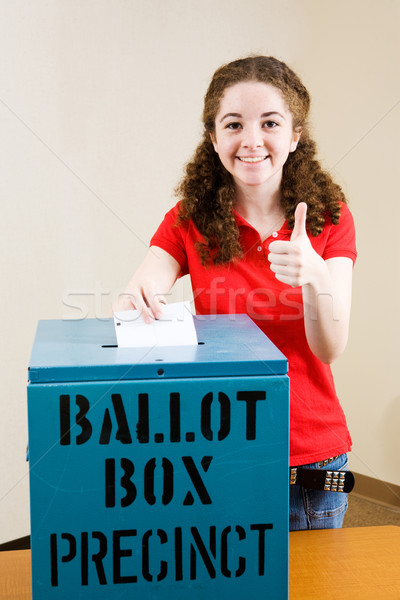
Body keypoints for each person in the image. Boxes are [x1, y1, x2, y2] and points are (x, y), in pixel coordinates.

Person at [114, 56, 357, 530]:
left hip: (305, 462)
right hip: (216, 452)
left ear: (295, 135)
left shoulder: (331, 217)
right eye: (233, 124)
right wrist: (136, 301)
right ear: (214, 138)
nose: (251, 141)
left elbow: (331, 347)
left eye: (270, 122)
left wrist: (315, 277)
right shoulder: (189, 219)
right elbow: (138, 289)